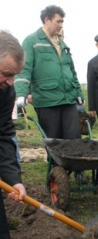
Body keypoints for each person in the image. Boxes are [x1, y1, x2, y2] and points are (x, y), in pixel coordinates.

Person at [14, 5, 84, 166]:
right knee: (53, 139)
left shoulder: (62, 43)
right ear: (47, 20)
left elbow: (71, 71)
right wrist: (21, 93)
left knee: (74, 137)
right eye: (58, 21)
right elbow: (24, 69)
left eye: (62, 22)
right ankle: (56, 172)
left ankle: (76, 169)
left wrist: (78, 92)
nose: (61, 25)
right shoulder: (32, 41)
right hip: (47, 100)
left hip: (68, 99)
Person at [0, 30, 27, 239]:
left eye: (14, 75)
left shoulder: (5, 91)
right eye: (7, 74)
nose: (11, 82)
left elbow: (4, 134)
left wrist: (13, 179)